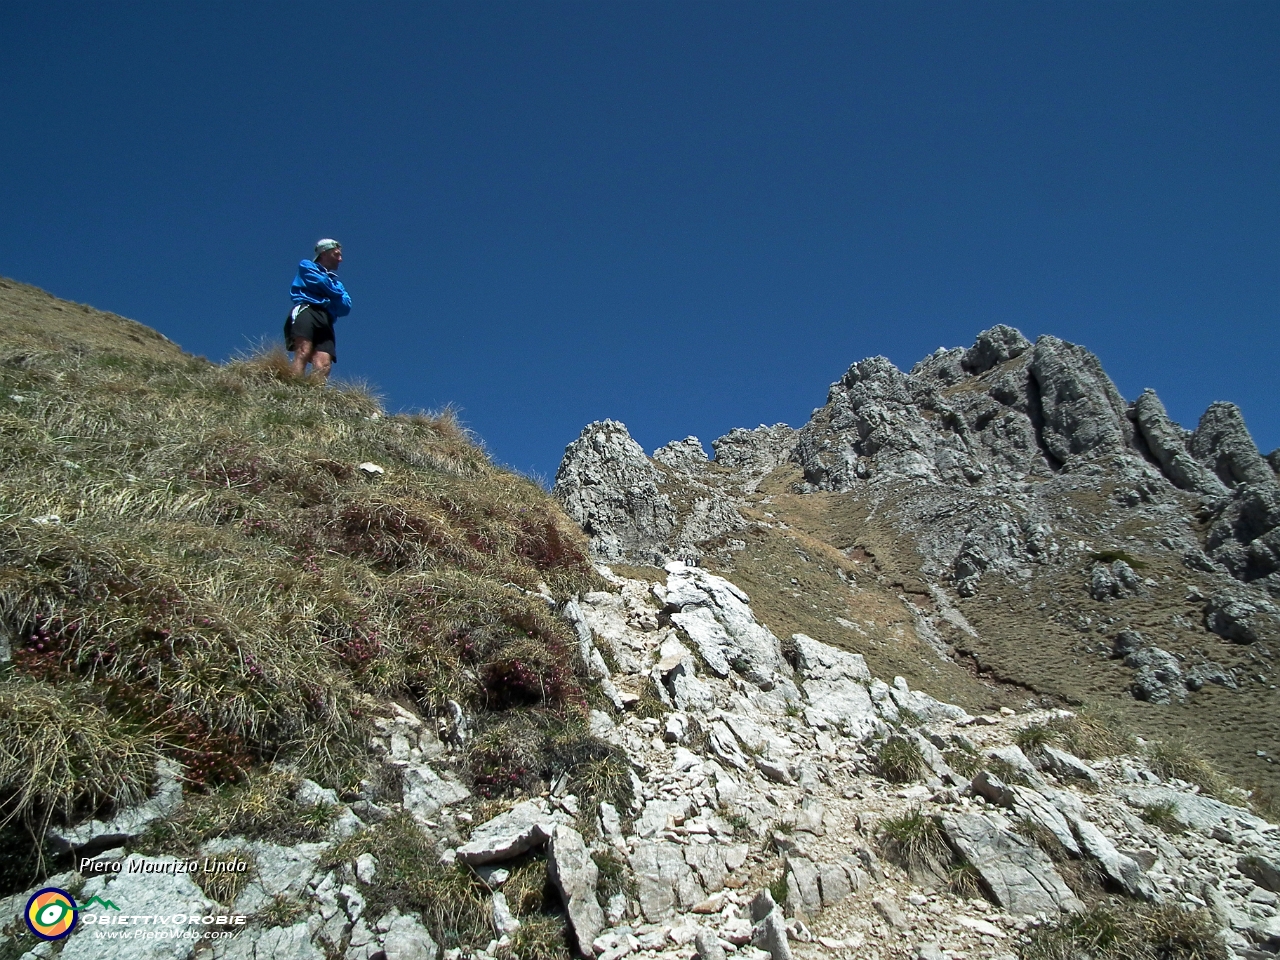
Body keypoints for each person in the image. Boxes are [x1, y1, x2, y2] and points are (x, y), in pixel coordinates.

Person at [286, 239, 352, 380]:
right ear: (324, 253)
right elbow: (319, 282)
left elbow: (345, 307)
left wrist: (327, 290)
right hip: (307, 310)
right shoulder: (306, 266)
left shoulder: (337, 282)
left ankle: (315, 397)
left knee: (324, 364)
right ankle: (293, 388)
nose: (340, 259)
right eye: (336, 254)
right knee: (303, 351)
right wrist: (334, 294)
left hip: (326, 319)